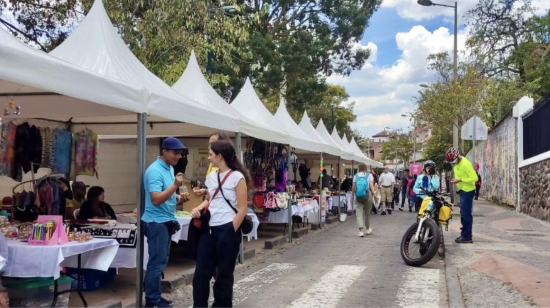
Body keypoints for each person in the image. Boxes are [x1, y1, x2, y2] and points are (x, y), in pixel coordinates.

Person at [191, 140, 251, 308]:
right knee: (201, 274)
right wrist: (198, 208)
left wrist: (231, 228)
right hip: (209, 230)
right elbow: (210, 199)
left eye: (211, 154)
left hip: (228, 229)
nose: (209, 158)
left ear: (219, 156)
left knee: (224, 275)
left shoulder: (237, 177)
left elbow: (242, 209)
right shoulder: (212, 176)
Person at [142, 137, 189, 308]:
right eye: (175, 153)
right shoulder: (155, 171)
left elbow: (164, 193)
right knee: (156, 262)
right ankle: (152, 301)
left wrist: (177, 197)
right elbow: (155, 199)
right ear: (164, 151)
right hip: (156, 222)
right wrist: (175, 186)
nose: (178, 156)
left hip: (165, 220)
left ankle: (155, 295)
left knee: (161, 261)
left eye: (180, 153)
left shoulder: (168, 168)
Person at [446, 147, 478, 244]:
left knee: (466, 214)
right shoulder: (456, 163)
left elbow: (475, 178)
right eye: (451, 162)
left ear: (457, 156)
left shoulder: (465, 164)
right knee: (463, 213)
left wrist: (459, 180)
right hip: (462, 190)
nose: (452, 164)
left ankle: (467, 236)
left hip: (468, 191)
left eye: (453, 161)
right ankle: (464, 234)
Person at [193, 132, 231, 197]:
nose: (209, 147)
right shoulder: (212, 164)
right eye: (209, 144)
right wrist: (206, 191)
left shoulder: (232, 171)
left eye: (212, 144)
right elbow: (215, 191)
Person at [352, 164, 376, 237]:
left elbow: (353, 187)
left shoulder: (355, 176)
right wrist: (375, 195)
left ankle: (360, 231)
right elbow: (371, 186)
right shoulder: (369, 175)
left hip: (358, 196)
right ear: (366, 168)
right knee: (367, 213)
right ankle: (368, 229)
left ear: (359, 168)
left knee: (359, 213)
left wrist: (353, 195)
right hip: (367, 195)